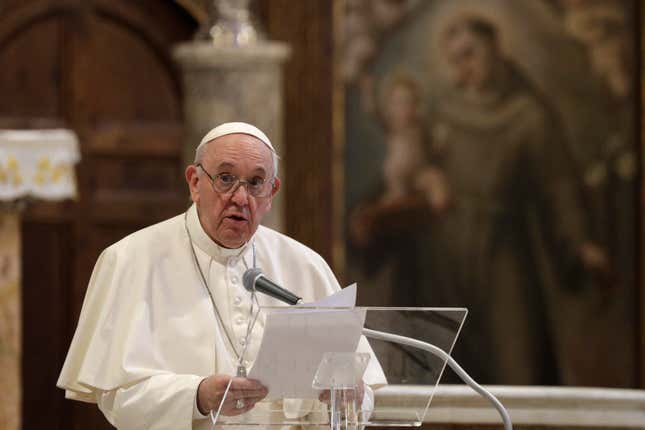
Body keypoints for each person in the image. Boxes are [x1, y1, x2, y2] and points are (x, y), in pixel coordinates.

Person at [57, 122, 385, 429]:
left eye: (256, 182)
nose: (240, 198)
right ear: (195, 183)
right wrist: (198, 396)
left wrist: (352, 395)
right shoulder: (131, 259)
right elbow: (115, 396)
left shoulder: (305, 266)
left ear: (272, 192)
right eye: (225, 179)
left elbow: (361, 394)